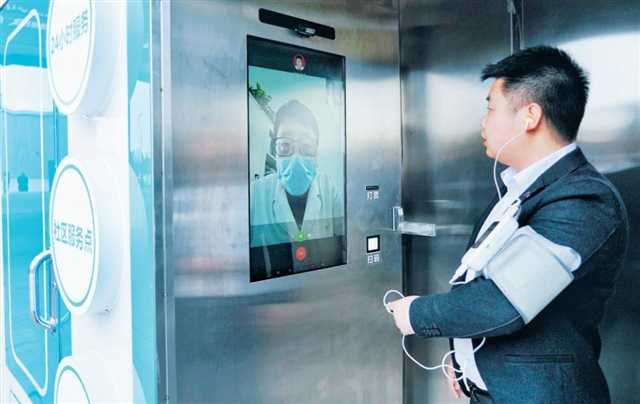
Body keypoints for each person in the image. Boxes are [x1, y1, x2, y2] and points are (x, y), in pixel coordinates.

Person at [387, 46, 629, 403]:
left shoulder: (584, 201)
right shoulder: (518, 187)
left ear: (530, 116)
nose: (483, 122)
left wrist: (415, 314)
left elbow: (503, 301)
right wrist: (465, 360)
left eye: (490, 108)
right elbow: (479, 279)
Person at [250, 100, 343, 250]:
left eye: (307, 146)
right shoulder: (254, 195)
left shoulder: (329, 189)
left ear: (317, 155)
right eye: (285, 146)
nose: (296, 159)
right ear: (275, 151)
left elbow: (349, 240)